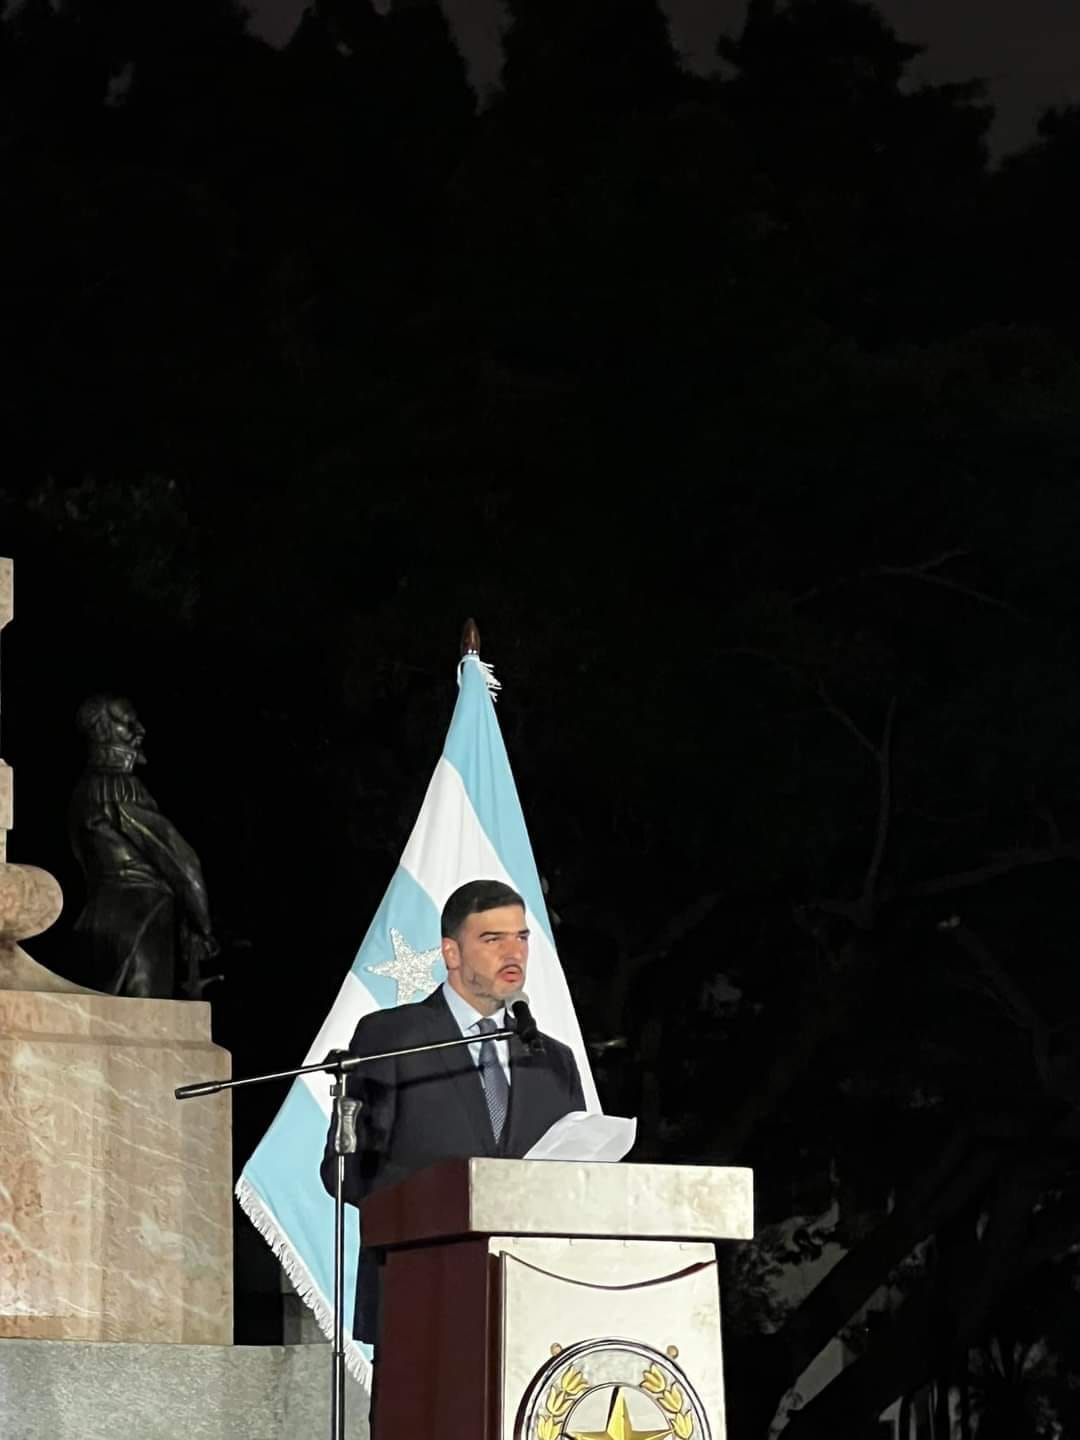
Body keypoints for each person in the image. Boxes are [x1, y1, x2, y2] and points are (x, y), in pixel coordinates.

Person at [320, 877, 586, 1360]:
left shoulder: (552, 1060)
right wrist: (454, 1198)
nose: (513, 952)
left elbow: (576, 1182)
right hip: (420, 1295)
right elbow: (348, 1176)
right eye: (492, 939)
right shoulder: (394, 1038)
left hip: (532, 1309)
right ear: (451, 952)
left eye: (521, 937)